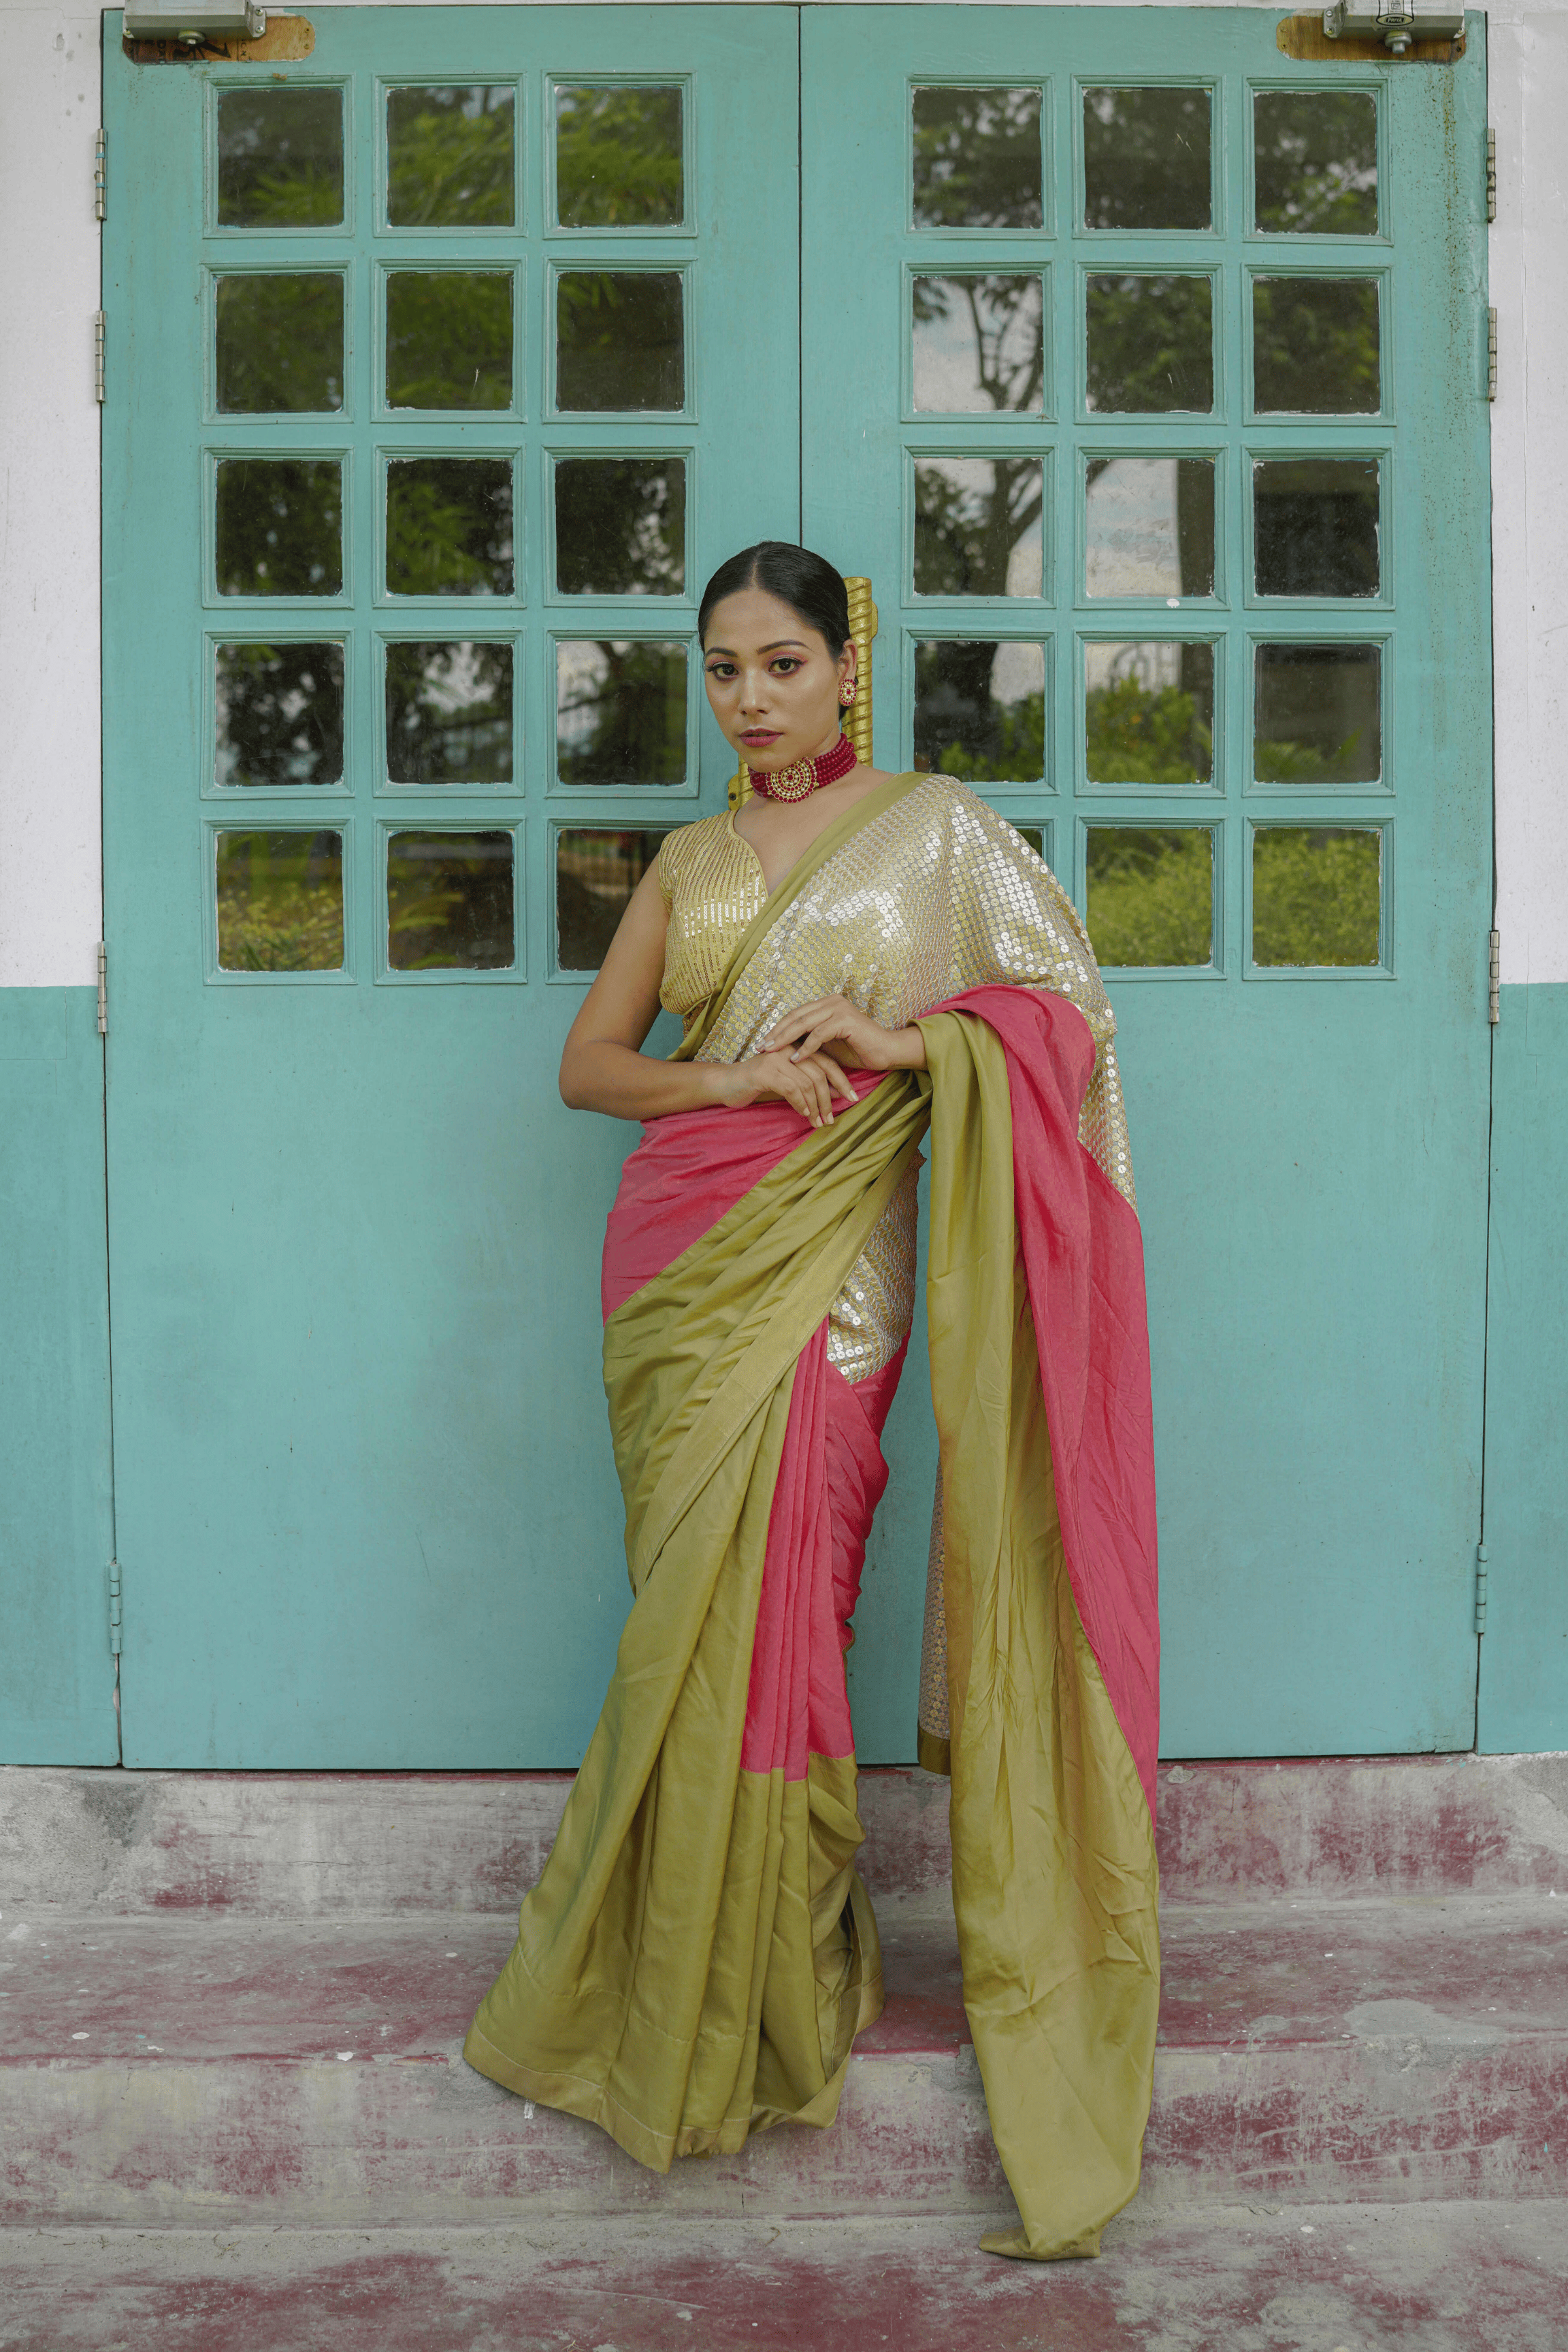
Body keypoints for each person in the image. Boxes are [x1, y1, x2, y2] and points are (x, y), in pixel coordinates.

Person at [466, 542, 1160, 2261]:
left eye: (781, 663)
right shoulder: (691, 861)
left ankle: (773, 1948)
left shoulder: (938, 832)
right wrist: (734, 1077)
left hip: (841, 1265)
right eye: (723, 669)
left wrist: (917, 1045)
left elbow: (1068, 1017)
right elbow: (591, 1067)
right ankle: (682, 1963)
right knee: (688, 1609)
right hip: (680, 1256)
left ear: (846, 664)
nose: (751, 697)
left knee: (793, 1591)